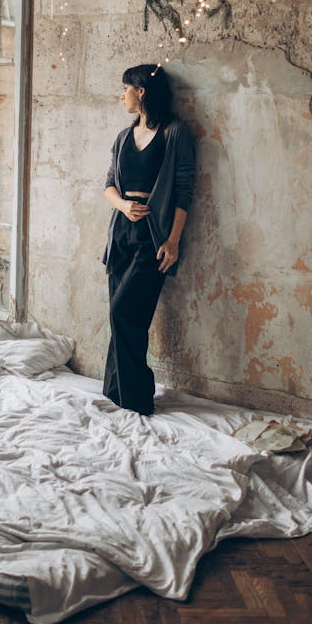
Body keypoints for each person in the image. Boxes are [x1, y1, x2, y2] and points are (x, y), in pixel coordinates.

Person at [102, 63, 195, 415]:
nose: (121, 94)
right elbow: (108, 185)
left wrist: (173, 241)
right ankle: (116, 393)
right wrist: (124, 205)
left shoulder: (175, 134)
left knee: (124, 313)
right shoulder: (123, 138)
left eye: (125, 88)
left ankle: (136, 398)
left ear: (141, 92)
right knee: (122, 318)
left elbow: (184, 192)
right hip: (121, 233)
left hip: (152, 238)